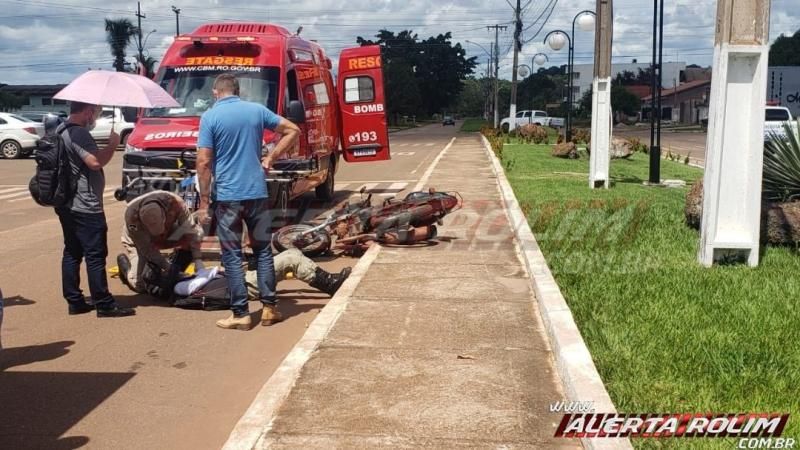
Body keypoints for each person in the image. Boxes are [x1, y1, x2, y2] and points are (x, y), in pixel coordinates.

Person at [196, 73, 300, 330]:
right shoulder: (256, 111)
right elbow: (293, 130)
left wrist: (204, 202)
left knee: (231, 255)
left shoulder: (210, 117)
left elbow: (204, 162)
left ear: (215, 92)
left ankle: (240, 313)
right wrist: (270, 158)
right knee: (262, 250)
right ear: (238, 91)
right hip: (256, 193)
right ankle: (269, 308)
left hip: (228, 197)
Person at [56, 102, 134, 318]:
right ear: (87, 111)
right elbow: (94, 162)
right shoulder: (79, 133)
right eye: (97, 112)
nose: (96, 117)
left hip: (66, 203)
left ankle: (74, 300)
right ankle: (104, 304)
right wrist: (112, 145)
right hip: (85, 204)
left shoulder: (60, 129)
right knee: (95, 254)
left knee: (72, 251)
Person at [117, 190, 204, 297]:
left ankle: (175, 264)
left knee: (197, 233)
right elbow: (148, 250)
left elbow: (191, 231)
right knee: (139, 285)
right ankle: (125, 268)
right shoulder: (132, 216)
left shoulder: (176, 203)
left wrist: (198, 260)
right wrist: (167, 267)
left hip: (167, 232)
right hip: (140, 240)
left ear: (163, 215)